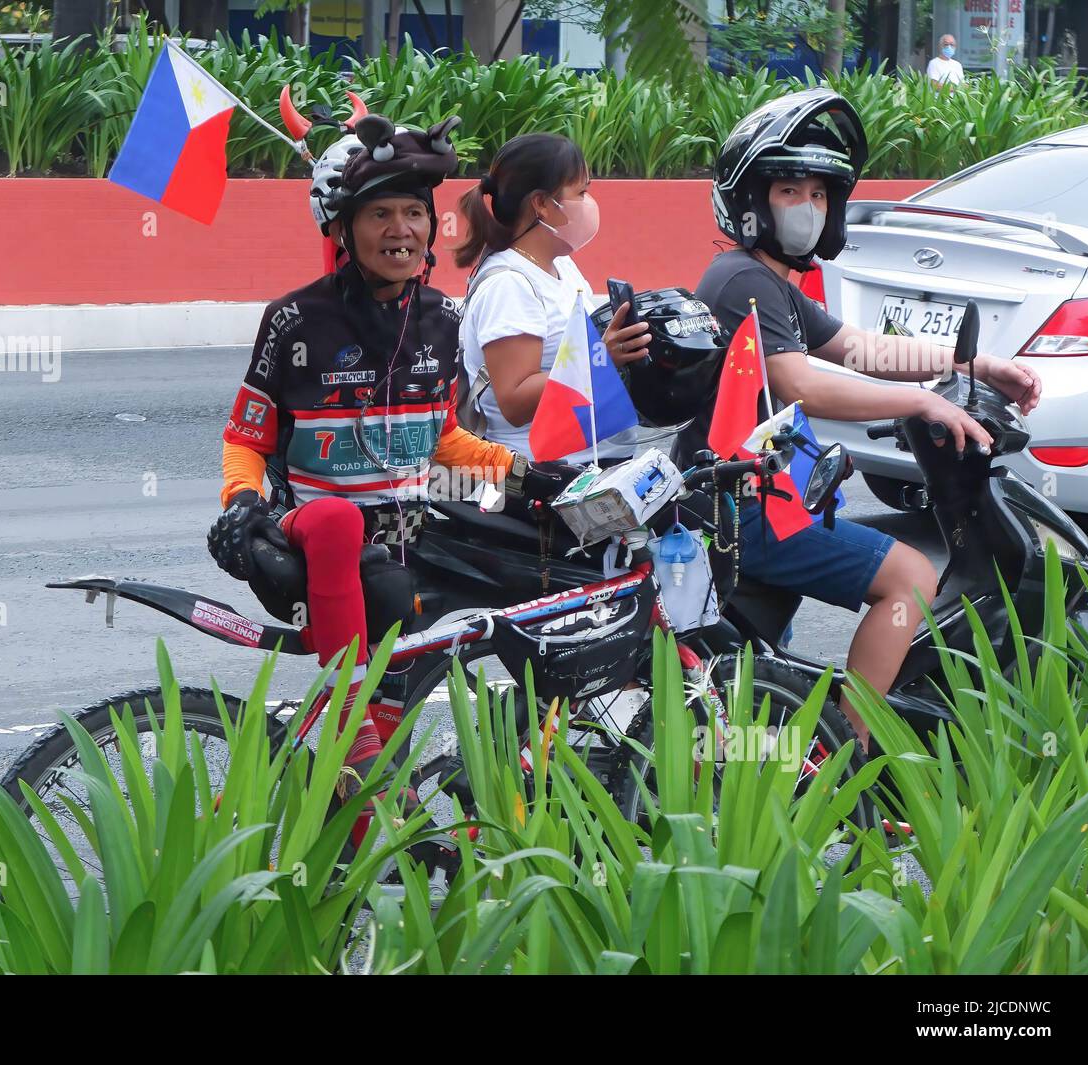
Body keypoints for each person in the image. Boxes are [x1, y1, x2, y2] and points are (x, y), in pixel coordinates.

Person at [208, 109, 575, 843]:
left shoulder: (443, 320)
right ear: (344, 229)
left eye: (415, 211)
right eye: (381, 213)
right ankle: (355, 740)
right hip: (310, 542)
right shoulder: (294, 322)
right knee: (340, 526)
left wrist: (528, 476)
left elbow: (442, 444)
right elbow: (245, 439)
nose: (402, 228)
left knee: (541, 589)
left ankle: (409, 825)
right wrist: (241, 502)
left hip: (410, 551)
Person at [699, 88, 1041, 749]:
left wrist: (973, 365)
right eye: (790, 191)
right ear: (750, 203)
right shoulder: (741, 279)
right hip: (743, 508)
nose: (808, 208)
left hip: (761, 495)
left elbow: (863, 348)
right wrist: (922, 400)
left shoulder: (767, 282)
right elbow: (799, 382)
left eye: (819, 195)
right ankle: (845, 751)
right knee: (911, 575)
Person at [454, 133, 652, 463]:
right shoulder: (509, 285)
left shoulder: (562, 266)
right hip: (539, 477)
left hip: (593, 464)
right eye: (581, 192)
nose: (589, 203)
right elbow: (514, 401)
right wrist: (600, 359)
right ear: (542, 204)